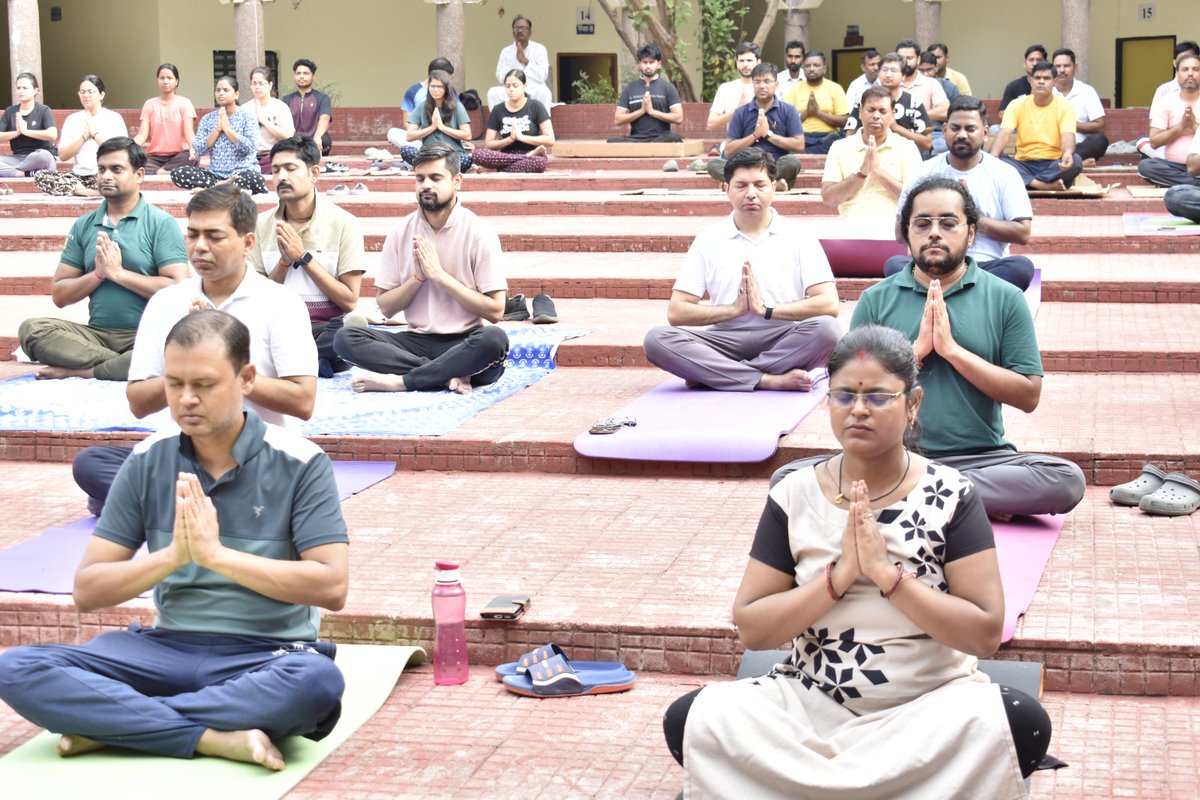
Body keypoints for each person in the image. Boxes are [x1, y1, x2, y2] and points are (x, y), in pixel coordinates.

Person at [664, 323, 1051, 797]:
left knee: (1020, 722)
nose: (859, 410)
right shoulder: (794, 494)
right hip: (808, 705)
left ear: (913, 405)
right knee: (691, 719)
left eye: (879, 397)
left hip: (925, 706)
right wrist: (837, 578)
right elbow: (753, 628)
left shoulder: (952, 494)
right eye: (844, 396)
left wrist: (888, 577)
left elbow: (984, 634)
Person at [0, 310, 349, 770]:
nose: (185, 399)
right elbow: (89, 590)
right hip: (162, 650)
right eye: (174, 384)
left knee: (316, 683)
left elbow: (331, 587)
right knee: (17, 668)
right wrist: (173, 557)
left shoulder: (302, 462)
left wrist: (216, 556)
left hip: (264, 655)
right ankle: (213, 736)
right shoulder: (147, 460)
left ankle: (115, 725)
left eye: (203, 385)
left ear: (246, 379)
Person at [806, 176, 1085, 518]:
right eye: (922, 223)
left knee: (1065, 480)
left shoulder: (1005, 299)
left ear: (970, 233)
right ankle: (960, 497)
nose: (935, 232)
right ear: (906, 235)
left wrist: (952, 351)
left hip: (983, 458)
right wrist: (916, 351)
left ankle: (917, 493)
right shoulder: (876, 300)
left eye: (948, 223)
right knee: (788, 478)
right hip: (892, 456)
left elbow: (1028, 395)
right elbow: (849, 391)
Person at [71, 183, 317, 516]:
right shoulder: (166, 302)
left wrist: (224, 366)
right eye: (192, 235)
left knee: (298, 475)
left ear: (247, 243)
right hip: (185, 456)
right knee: (91, 463)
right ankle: (200, 506)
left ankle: (150, 504)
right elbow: (139, 402)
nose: (200, 248)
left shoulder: (279, 303)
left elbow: (302, 402)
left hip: (258, 455)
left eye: (214, 237)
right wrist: (186, 367)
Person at [644, 148, 839, 392]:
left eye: (760, 185)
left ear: (775, 186)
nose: (751, 194)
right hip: (724, 339)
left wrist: (767, 311)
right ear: (725, 189)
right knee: (656, 340)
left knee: (828, 330)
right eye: (741, 185)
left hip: (783, 336)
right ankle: (765, 379)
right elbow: (677, 312)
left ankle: (719, 374)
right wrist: (732, 310)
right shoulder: (708, 239)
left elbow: (829, 304)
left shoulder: (799, 236)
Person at [333, 142, 509, 395]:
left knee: (494, 340)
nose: (426, 185)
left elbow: (495, 311)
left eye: (436, 178)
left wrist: (439, 276)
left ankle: (403, 381)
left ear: (457, 181)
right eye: (420, 178)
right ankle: (444, 376)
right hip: (415, 343)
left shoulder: (480, 233)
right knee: (346, 338)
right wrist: (418, 277)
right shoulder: (401, 232)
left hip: (467, 343)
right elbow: (386, 307)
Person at [18, 138, 188, 381]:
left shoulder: (161, 223)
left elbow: (179, 290)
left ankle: (86, 371)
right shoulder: (84, 225)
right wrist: (98, 274)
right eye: (101, 169)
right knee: (32, 330)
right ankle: (124, 366)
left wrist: (118, 274)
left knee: (175, 346)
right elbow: (60, 295)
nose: (106, 176)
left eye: (116, 169)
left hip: (144, 335)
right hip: (95, 337)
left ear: (139, 175)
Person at [884, 96, 1035, 291]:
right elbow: (900, 233)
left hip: (985, 267)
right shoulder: (922, 172)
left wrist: (972, 214)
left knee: (1021, 268)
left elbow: (1023, 233)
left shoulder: (1005, 174)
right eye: (955, 128)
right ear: (945, 130)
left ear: (985, 133)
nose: (962, 135)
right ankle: (968, 295)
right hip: (934, 266)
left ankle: (946, 294)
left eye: (970, 129)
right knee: (895, 266)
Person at [250, 135, 366, 377]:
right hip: (278, 328)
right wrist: (284, 262)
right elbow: (257, 299)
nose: (281, 177)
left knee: (349, 333)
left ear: (314, 173)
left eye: (290, 169)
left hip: (325, 329)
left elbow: (349, 301)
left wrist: (304, 257)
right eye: (275, 170)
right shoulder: (261, 224)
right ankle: (315, 359)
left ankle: (300, 357)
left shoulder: (344, 224)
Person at [823, 86, 923, 219]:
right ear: (860, 112)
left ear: (893, 115)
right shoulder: (839, 147)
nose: (876, 116)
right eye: (871, 110)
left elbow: (917, 200)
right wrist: (860, 174)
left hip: (894, 229)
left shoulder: (907, 148)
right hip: (850, 227)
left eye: (883, 111)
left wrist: (878, 172)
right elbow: (829, 200)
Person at [705, 63, 804, 189]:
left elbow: (799, 145)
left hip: (774, 165)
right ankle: (771, 184)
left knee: (792, 162)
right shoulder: (741, 112)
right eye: (757, 82)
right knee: (713, 164)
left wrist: (768, 135)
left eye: (767, 81)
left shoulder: (788, 110)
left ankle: (741, 184)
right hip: (744, 165)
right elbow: (729, 150)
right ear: (753, 84)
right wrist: (755, 135)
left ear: (776, 84)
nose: (762, 86)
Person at [990, 61, 1082, 191]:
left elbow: (1068, 135)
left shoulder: (1065, 106)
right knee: (993, 156)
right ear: (1031, 80)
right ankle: (1042, 185)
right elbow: (1004, 133)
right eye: (1037, 78)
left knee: (1076, 161)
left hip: (1053, 163)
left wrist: (1067, 152)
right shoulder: (1016, 105)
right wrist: (993, 158)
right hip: (1023, 163)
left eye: (1046, 78)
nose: (1041, 82)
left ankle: (1026, 181)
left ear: (1055, 81)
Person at [170, 76, 266, 195]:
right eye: (218, 90)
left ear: (236, 94)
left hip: (241, 173)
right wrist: (217, 130)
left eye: (226, 90)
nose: (221, 93)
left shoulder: (248, 117)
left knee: (255, 178)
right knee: (178, 173)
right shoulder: (208, 119)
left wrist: (227, 129)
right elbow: (198, 149)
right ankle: (223, 186)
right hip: (214, 174)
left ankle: (212, 189)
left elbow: (250, 148)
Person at [34, 74, 127, 197]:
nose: (86, 95)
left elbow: (122, 152)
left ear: (101, 95)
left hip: (105, 174)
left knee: (122, 176)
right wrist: (83, 136)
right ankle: (90, 191)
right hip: (78, 178)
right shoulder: (72, 120)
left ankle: (83, 191)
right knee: (41, 176)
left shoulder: (114, 118)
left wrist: (94, 134)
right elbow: (63, 155)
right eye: (82, 92)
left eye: (90, 92)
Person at [846, 53, 931, 154]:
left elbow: (927, 143)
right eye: (884, 70)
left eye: (894, 71)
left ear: (903, 76)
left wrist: (896, 128)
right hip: (868, 156)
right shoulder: (864, 100)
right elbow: (849, 137)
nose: (888, 75)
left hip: (904, 158)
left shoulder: (914, 102)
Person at [473, 69, 554, 173]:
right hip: (505, 155)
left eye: (515, 86)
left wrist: (522, 137)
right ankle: (525, 157)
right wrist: (510, 139)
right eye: (508, 86)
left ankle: (495, 169)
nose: (511, 89)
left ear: (525, 87)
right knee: (478, 154)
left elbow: (550, 140)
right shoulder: (498, 110)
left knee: (539, 163)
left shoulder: (536, 106)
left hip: (531, 152)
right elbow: (489, 143)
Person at [1138, 53, 1200, 188]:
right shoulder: (1166, 101)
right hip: (1173, 166)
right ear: (1177, 74)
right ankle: (1194, 184)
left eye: (1195, 69)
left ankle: (1182, 183)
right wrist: (1181, 127)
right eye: (1185, 69)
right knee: (1146, 166)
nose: (1190, 74)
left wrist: (1195, 126)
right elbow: (1154, 142)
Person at [400, 70, 474, 171]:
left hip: (451, 154)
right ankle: (438, 167)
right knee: (406, 150)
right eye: (432, 86)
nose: (435, 90)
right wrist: (432, 128)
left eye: (439, 87)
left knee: (465, 160)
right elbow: (409, 136)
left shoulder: (457, 107)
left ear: (446, 88)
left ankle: (430, 167)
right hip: (429, 153)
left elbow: (467, 135)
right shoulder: (422, 106)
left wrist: (442, 127)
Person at [609, 44, 684, 143]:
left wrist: (652, 112)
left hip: (661, 138)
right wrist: (641, 111)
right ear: (640, 64)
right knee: (612, 141)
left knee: (674, 137)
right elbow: (618, 120)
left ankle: (652, 145)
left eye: (651, 62)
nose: (648, 66)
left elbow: (679, 118)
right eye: (645, 62)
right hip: (637, 139)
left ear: (659, 64)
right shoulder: (630, 88)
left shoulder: (668, 87)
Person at [133, 63, 197, 174]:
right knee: (135, 160)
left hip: (180, 155)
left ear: (176, 81)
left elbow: (189, 133)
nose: (165, 81)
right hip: (155, 157)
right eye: (162, 78)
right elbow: (142, 135)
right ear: (157, 80)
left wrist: (193, 150)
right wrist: (126, 147)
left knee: (193, 157)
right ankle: (165, 171)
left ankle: (159, 171)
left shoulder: (184, 103)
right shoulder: (149, 104)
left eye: (170, 78)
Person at [783, 50, 849, 155]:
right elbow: (785, 122)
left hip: (828, 137)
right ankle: (809, 150)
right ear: (803, 69)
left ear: (824, 68)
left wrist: (818, 113)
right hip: (801, 136)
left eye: (816, 65)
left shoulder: (835, 88)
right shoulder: (794, 89)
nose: (812, 69)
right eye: (808, 66)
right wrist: (807, 113)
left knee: (840, 143)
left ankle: (805, 153)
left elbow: (844, 121)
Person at [1052, 48, 1107, 166]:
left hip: (1080, 146)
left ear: (1075, 68)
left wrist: (1069, 123)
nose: (1062, 70)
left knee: (1100, 140)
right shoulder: (1046, 92)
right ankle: (1078, 162)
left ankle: (1067, 161)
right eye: (1058, 66)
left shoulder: (1087, 91)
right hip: (1051, 146)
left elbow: (1100, 125)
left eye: (1066, 66)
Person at [486, 16, 552, 111]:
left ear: (530, 32)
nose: (520, 31)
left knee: (544, 93)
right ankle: (498, 124)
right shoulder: (506, 51)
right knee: (493, 92)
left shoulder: (539, 49)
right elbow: (500, 77)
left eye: (523, 28)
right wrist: (516, 61)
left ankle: (543, 125)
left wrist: (525, 61)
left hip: (532, 87)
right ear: (513, 32)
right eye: (516, 28)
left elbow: (542, 76)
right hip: (511, 87)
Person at [0, 72, 59, 178]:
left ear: (35, 90)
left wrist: (26, 131)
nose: (21, 91)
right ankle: (27, 173)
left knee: (43, 156)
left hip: (39, 156)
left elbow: (52, 135)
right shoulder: (10, 111)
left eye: (25, 88)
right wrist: (16, 132)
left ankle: (12, 172)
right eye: (18, 88)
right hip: (17, 158)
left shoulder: (43, 110)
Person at [242, 66, 295, 173]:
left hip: (272, 155)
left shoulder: (280, 107)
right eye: (254, 83)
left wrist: (264, 121)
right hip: (249, 158)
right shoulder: (244, 109)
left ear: (270, 85)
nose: (257, 87)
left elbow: (288, 136)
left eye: (261, 83)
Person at [282, 58, 333, 156]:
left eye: (306, 73)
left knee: (324, 139)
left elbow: (325, 118)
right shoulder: (287, 99)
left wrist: (317, 136)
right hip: (293, 142)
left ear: (313, 77)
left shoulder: (322, 98)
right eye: (298, 73)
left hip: (314, 140)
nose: (301, 76)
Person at [707, 42, 761, 132]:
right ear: (737, 63)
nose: (745, 65)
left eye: (749, 60)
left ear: (758, 62)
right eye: (741, 61)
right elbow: (711, 123)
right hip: (735, 142)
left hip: (761, 143)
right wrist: (736, 112)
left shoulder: (766, 87)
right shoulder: (726, 88)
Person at [895, 39, 949, 124]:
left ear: (918, 59)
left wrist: (914, 115)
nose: (905, 62)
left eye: (909, 58)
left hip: (924, 132)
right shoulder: (886, 82)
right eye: (901, 58)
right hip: (892, 134)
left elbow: (945, 111)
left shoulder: (931, 83)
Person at [918, 51, 959, 155]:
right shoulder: (912, 86)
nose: (925, 74)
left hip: (938, 132)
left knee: (940, 146)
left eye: (929, 70)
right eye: (921, 70)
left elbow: (956, 116)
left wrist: (923, 114)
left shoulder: (949, 87)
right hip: (914, 132)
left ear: (936, 68)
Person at [999, 44, 1048, 115]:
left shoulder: (1051, 86)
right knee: (995, 127)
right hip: (1019, 124)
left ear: (1045, 63)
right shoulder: (1014, 86)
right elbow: (1002, 114)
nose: (1034, 63)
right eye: (1031, 60)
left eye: (1039, 60)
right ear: (1025, 63)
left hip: (1047, 123)